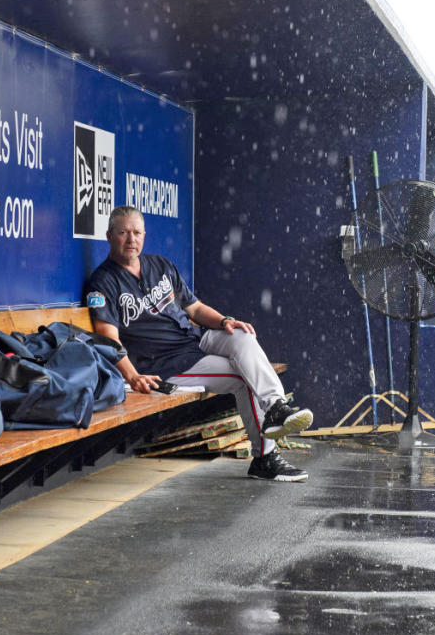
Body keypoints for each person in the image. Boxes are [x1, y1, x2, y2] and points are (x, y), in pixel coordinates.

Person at [83, 206, 313, 482]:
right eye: (123, 232)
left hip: (195, 338)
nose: (130, 239)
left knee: (243, 336)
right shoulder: (103, 281)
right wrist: (132, 375)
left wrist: (224, 320)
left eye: (136, 232)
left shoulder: (161, 265)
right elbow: (108, 338)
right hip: (166, 361)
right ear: (109, 236)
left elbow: (195, 309)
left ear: (144, 236)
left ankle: (275, 404)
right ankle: (264, 458)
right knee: (244, 377)